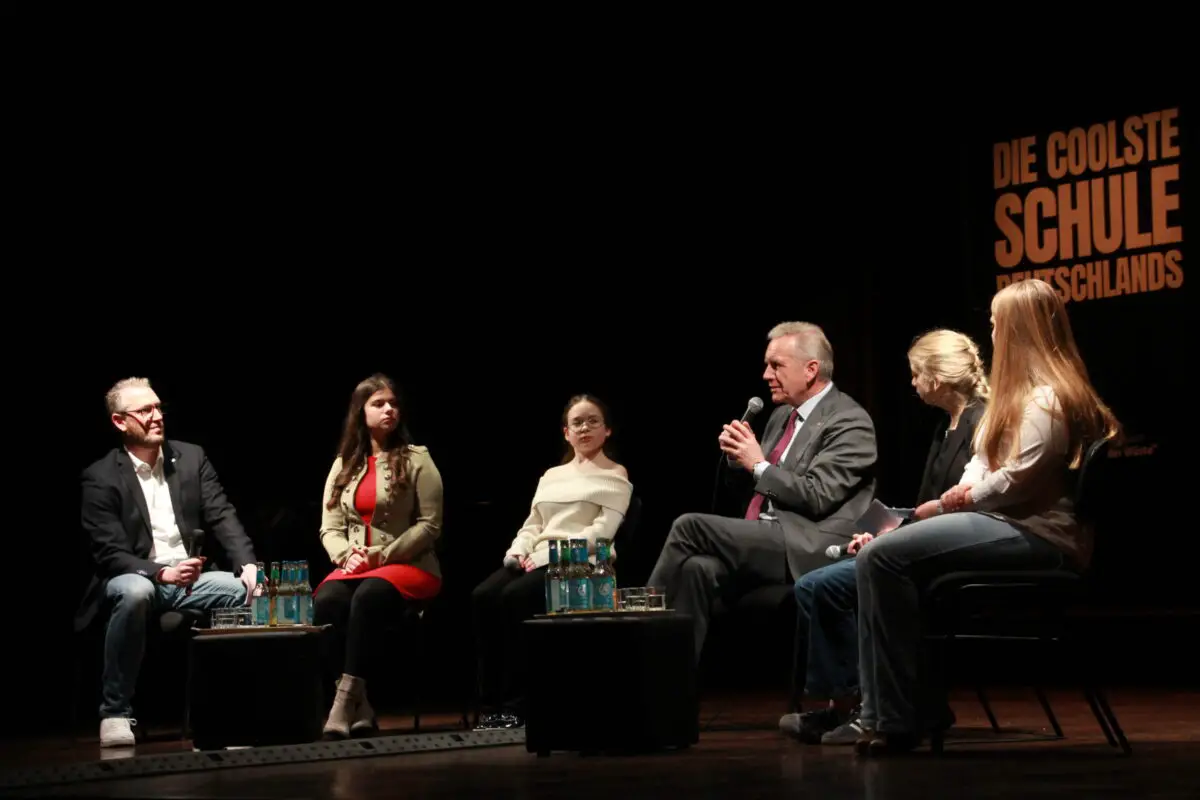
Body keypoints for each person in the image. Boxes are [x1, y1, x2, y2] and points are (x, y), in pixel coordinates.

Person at [854, 280, 1121, 755]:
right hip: (1006, 523)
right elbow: (985, 458)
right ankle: (909, 710)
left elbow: (1015, 481)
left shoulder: (1049, 399)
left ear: (1018, 331)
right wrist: (964, 489)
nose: (992, 333)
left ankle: (895, 719)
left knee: (882, 558)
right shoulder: (1018, 396)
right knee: (882, 558)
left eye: (998, 324)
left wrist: (961, 498)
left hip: (1037, 535)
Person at [781, 329, 989, 745]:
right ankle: (846, 705)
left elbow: (969, 504)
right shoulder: (945, 427)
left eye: (916, 374)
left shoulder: (981, 421)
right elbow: (926, 506)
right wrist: (881, 533)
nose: (912, 384)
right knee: (814, 583)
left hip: (956, 554)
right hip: (924, 542)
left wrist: (891, 543)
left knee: (828, 586)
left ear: (938, 375)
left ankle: (869, 708)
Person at [648, 321, 878, 662]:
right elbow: (756, 491)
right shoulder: (781, 416)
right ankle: (668, 687)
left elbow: (817, 496)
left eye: (776, 365)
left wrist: (757, 464)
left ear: (811, 369)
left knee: (689, 525)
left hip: (807, 544)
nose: (766, 375)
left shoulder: (849, 420)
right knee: (697, 568)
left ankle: (637, 624)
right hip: (765, 537)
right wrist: (738, 463)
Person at [77, 378, 258, 748]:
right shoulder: (100, 477)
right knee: (136, 592)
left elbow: (222, 513)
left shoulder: (191, 457)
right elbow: (109, 553)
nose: (156, 416)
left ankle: (230, 714)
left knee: (247, 592)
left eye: (158, 408)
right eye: (145, 411)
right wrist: (161, 572)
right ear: (119, 422)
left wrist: (247, 565)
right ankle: (114, 711)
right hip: (135, 576)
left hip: (189, 579)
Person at [472, 394, 632, 730]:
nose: (584, 428)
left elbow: (601, 533)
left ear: (607, 431)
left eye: (592, 421)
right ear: (566, 432)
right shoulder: (552, 475)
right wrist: (517, 551)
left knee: (516, 598)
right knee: (484, 596)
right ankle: (491, 706)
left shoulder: (615, 474)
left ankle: (518, 707)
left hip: (584, 562)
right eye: (577, 423)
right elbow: (533, 524)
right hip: (538, 557)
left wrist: (548, 554)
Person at [312, 374, 444, 739]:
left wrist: (382, 556)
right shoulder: (344, 464)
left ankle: (341, 702)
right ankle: (362, 705)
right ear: (361, 412)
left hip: (408, 564)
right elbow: (330, 528)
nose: (389, 409)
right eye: (379, 403)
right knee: (324, 602)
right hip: (358, 567)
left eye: (393, 403)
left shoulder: (418, 458)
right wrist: (344, 557)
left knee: (370, 596)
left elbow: (430, 525)